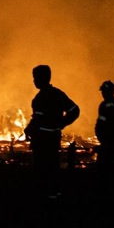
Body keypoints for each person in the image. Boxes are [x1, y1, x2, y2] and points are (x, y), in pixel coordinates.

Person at [23, 64, 79, 198]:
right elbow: (75, 110)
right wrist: (62, 123)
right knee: (53, 165)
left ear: (42, 78)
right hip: (54, 139)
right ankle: (55, 194)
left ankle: (43, 197)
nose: (34, 81)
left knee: (41, 168)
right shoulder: (59, 94)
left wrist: (28, 130)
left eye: (35, 78)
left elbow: (37, 119)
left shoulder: (39, 99)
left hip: (41, 140)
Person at [94, 80, 114, 173]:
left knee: (103, 169)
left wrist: (102, 141)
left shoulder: (104, 105)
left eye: (103, 91)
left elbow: (100, 125)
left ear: (106, 92)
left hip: (107, 142)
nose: (102, 94)